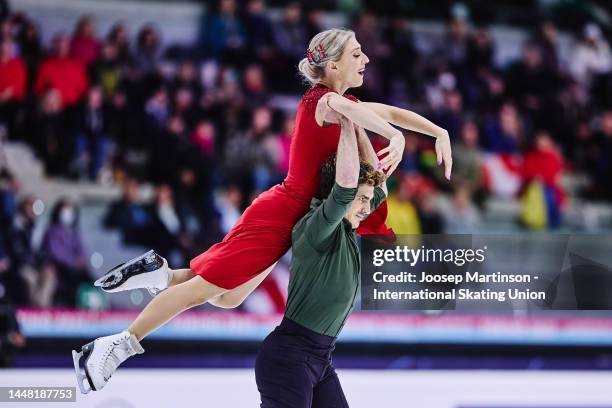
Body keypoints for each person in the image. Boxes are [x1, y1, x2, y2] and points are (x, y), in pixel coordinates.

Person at [72, 28, 452, 394]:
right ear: (333, 65)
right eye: (356, 53)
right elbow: (365, 114)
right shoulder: (321, 100)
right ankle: (114, 346)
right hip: (280, 214)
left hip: (291, 217)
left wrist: (438, 132)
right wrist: (395, 136)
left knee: (228, 297)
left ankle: (161, 274)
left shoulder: (344, 105)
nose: (366, 58)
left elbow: (389, 111)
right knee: (203, 290)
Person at [256, 116, 386, 407]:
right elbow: (345, 186)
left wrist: (358, 123)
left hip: (320, 361)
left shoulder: (348, 227)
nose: (368, 207)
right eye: (362, 199)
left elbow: (380, 184)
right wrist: (347, 120)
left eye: (367, 200)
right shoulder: (316, 226)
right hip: (288, 360)